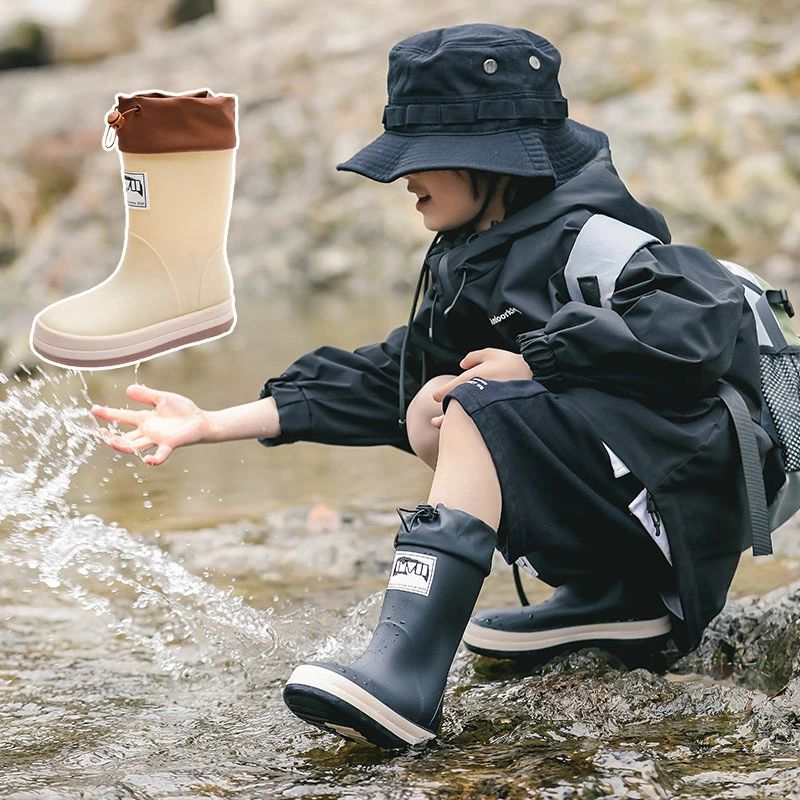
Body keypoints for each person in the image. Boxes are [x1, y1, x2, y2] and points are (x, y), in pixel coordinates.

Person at [91, 23, 786, 749]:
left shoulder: (596, 238)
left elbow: (700, 323)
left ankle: (407, 678)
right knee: (433, 403)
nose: (402, 177)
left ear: (496, 165)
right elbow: (385, 381)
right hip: (627, 516)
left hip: (679, 515)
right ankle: (611, 598)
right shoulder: (476, 260)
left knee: (471, 404)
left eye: (426, 160)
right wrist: (207, 423)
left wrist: (538, 361)